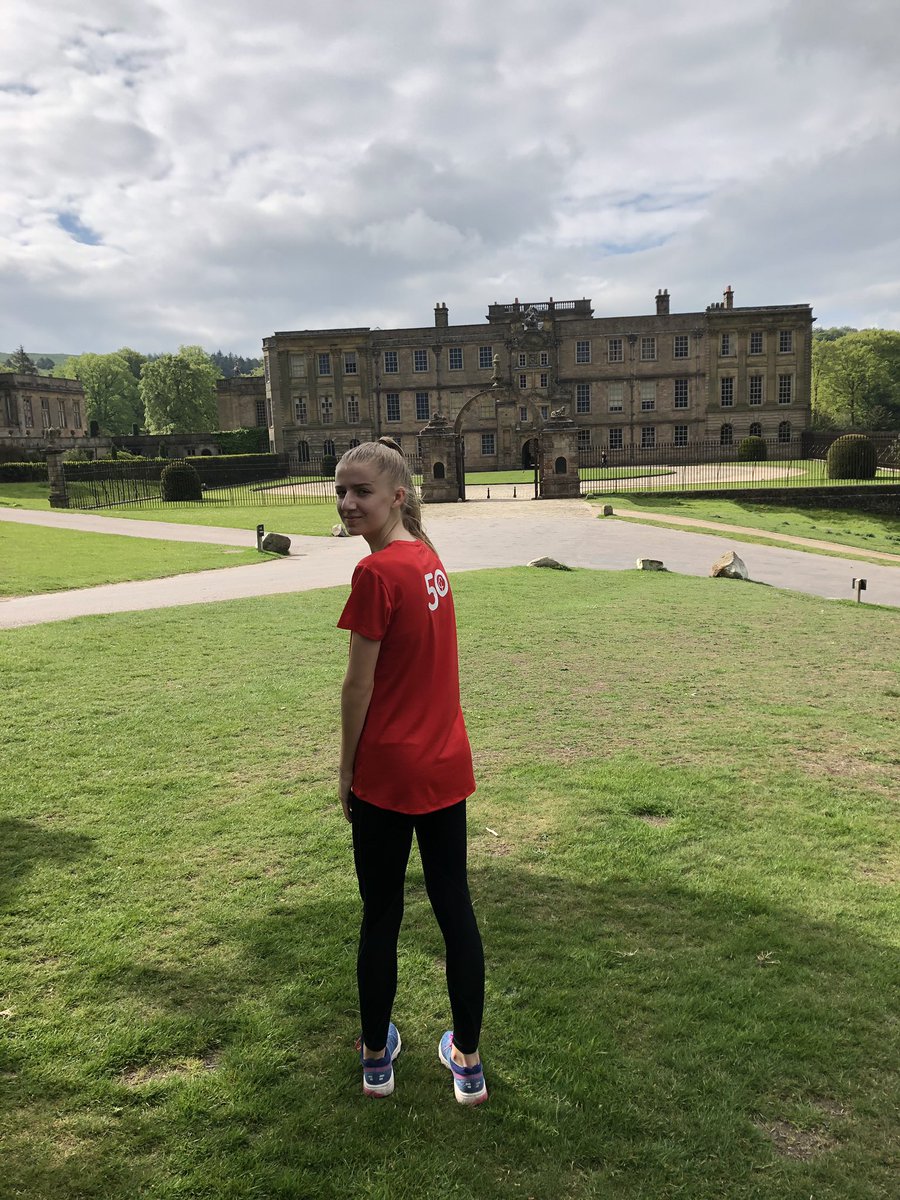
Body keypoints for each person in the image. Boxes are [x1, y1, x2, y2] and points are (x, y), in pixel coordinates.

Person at [335, 438, 487, 1105]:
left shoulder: (377, 574)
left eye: (361, 491)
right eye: (339, 490)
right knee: (455, 912)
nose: (346, 503)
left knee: (382, 916)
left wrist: (345, 772)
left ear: (397, 496)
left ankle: (377, 1058)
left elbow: (356, 689)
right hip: (444, 762)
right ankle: (468, 1061)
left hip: (392, 772)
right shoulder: (427, 558)